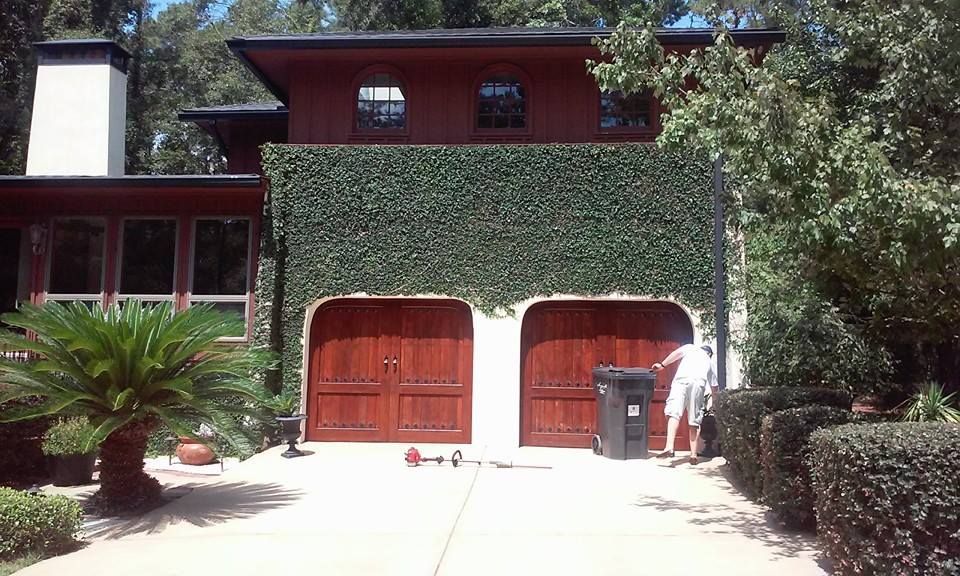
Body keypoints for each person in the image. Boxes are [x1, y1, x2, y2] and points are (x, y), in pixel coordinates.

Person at [651, 343, 718, 465]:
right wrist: (714, 402)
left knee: (674, 413)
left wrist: (662, 365)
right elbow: (714, 387)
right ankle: (693, 454)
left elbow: (675, 354)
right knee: (694, 419)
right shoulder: (709, 360)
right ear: (709, 353)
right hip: (698, 383)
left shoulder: (690, 347)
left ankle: (669, 446)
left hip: (681, 381)